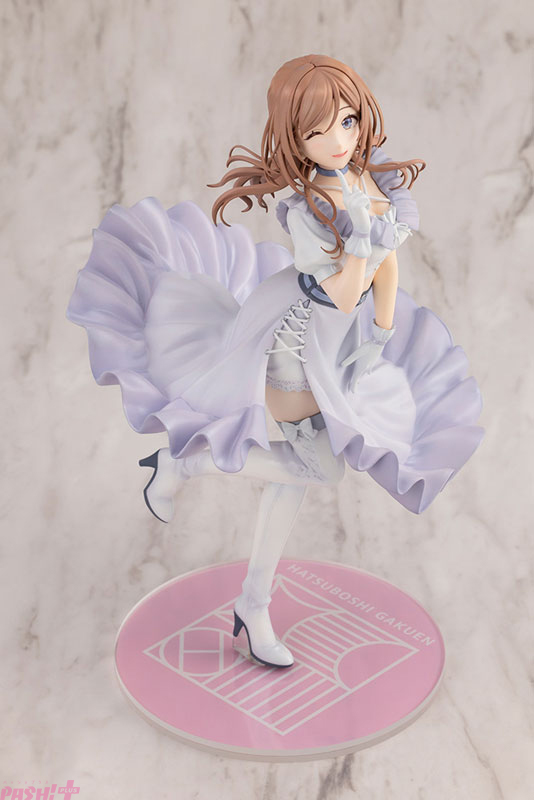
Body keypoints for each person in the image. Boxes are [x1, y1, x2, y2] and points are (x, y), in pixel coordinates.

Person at [67, 55, 483, 670]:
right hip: (297, 344)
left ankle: (253, 603)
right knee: (321, 469)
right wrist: (361, 247)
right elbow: (343, 292)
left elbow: (389, 265)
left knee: (295, 477)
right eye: (317, 131)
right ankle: (185, 464)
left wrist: (382, 331)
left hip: (338, 344)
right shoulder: (310, 207)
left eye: (347, 121)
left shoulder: (368, 179)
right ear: (295, 137)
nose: (338, 141)